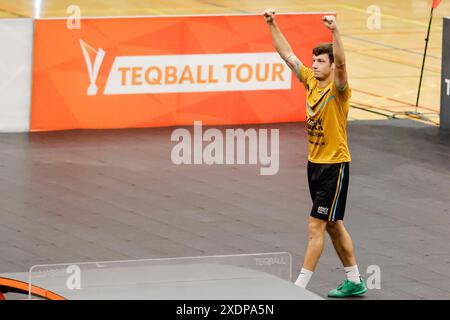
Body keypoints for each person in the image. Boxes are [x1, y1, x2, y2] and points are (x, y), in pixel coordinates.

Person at [263, 8, 368, 298]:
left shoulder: (339, 90)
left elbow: (344, 62)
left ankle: (298, 289)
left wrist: (335, 31)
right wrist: (272, 23)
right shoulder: (310, 81)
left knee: (316, 225)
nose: (316, 64)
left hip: (335, 166)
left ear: (332, 66)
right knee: (334, 225)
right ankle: (356, 280)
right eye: (315, 60)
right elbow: (286, 54)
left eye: (322, 61)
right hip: (314, 165)